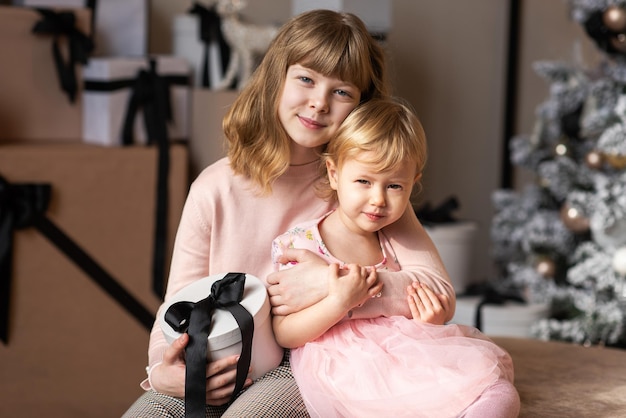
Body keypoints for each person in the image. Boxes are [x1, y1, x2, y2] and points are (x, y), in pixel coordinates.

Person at [123, 9, 455, 418]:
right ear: (276, 78)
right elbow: (178, 303)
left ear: (362, 106)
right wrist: (162, 371)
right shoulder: (214, 187)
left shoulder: (362, 186)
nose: (318, 103)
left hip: (306, 360)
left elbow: (433, 286)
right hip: (216, 359)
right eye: (305, 79)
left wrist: (329, 284)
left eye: (342, 92)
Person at [271, 98, 520, 418]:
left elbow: (430, 297)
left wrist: (429, 321)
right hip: (347, 367)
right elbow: (284, 332)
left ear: (413, 185)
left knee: (498, 394)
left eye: (394, 186)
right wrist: (338, 302)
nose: (378, 200)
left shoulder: (392, 236)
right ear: (334, 174)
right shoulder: (300, 243)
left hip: (407, 352)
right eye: (363, 181)